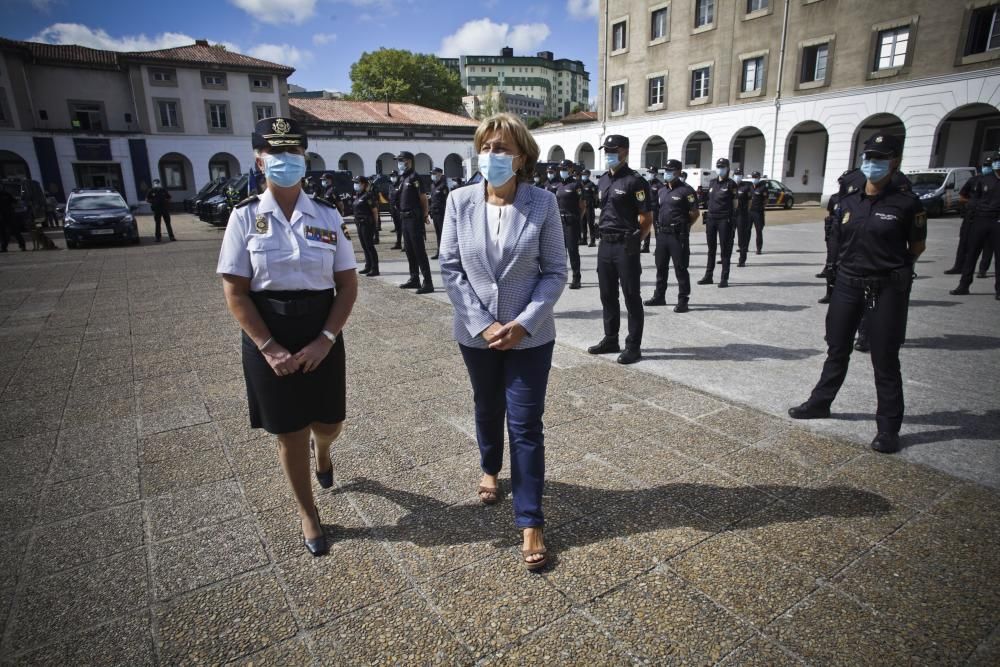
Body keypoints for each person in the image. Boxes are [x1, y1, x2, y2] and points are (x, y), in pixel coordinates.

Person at [216, 116, 358, 555]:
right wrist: (269, 347)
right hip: (268, 332)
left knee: (329, 423)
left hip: (321, 328)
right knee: (289, 432)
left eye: (293, 154)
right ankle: (308, 513)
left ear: (304, 159)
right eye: (276, 155)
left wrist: (326, 337)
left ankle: (325, 450)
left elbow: (348, 284)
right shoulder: (243, 218)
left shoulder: (328, 215)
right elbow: (235, 291)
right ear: (260, 161)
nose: (286, 162)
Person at [438, 112, 566, 571]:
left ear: (522, 157)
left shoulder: (543, 203)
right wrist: (484, 323)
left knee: (527, 424)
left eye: (503, 149)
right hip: (476, 335)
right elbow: (450, 267)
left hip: (530, 338)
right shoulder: (459, 201)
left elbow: (555, 272)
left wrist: (524, 323)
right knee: (487, 405)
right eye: (486, 147)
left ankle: (530, 519)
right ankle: (490, 466)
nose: (492, 155)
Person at [789, 132, 926, 454]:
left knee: (884, 358)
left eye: (880, 158)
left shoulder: (907, 203)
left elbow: (917, 246)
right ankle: (821, 402)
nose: (872, 163)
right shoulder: (849, 200)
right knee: (837, 347)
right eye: (869, 157)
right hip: (848, 284)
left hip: (886, 287)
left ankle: (888, 427)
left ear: (894, 161)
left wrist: (891, 268)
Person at [587, 135, 652, 365]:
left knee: (631, 296)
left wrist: (636, 242)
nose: (608, 154)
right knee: (607, 294)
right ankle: (611, 338)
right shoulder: (604, 180)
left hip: (625, 245)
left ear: (624, 151)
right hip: (605, 244)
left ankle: (633, 346)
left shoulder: (635, 181)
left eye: (613, 150)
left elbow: (646, 218)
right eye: (606, 150)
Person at [644, 159, 698, 313]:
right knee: (661, 267)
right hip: (663, 234)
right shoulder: (662, 190)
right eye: (666, 170)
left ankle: (683, 300)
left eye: (670, 170)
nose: (667, 173)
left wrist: (684, 227)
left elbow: (694, 213)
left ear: (679, 172)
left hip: (677, 235)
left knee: (680, 268)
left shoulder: (687, 191)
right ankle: (659, 296)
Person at [951, 152, 1000, 299]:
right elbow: (972, 199)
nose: (997, 164)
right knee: (972, 253)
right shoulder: (983, 180)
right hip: (980, 220)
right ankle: (963, 285)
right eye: (996, 162)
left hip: (997, 221)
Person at [394, 151, 434, 294]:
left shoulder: (414, 177)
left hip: (414, 218)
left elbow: (423, 197)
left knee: (419, 251)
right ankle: (414, 278)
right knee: (409, 250)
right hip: (404, 218)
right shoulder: (402, 178)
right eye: (398, 160)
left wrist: (425, 214)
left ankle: (428, 282)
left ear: (409, 161)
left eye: (401, 160)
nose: (399, 162)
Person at [946, 158, 994, 277]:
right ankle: (958, 266)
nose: (986, 168)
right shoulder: (974, 180)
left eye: (989, 166)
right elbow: (962, 196)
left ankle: (982, 270)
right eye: (985, 165)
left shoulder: (996, 181)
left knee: (988, 245)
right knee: (964, 243)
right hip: (971, 216)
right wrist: (972, 203)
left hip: (989, 217)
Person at [699, 158, 737, 287]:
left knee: (725, 250)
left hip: (724, 219)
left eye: (722, 167)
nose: (720, 169)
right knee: (711, 249)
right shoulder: (712, 183)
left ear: (727, 169)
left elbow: (735, 204)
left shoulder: (731, 184)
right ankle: (708, 275)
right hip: (711, 219)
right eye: (718, 166)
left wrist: (731, 219)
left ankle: (724, 278)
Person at [554, 158, 585, 289]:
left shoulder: (576, 185)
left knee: (573, 250)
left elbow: (583, 206)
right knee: (561, 252)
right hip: (559, 222)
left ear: (571, 170)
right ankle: (561, 276)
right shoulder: (559, 185)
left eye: (565, 169)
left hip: (571, 222)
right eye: (561, 169)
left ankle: (576, 278)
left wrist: (577, 218)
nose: (562, 171)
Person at [351, 175, 380, 277]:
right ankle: (368, 266)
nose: (355, 185)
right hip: (359, 224)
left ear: (363, 184)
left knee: (369, 246)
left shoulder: (368, 196)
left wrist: (376, 226)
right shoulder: (358, 195)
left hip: (367, 224)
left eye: (357, 183)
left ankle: (375, 268)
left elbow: (374, 211)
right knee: (364, 246)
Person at [428, 166, 449, 260]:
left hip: (442, 213)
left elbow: (446, 201)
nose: (433, 176)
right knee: (438, 234)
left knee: (443, 234)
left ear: (440, 174)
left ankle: (445, 253)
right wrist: (430, 211)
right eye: (432, 174)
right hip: (434, 213)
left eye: (434, 174)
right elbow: (432, 199)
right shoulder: (432, 185)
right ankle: (439, 252)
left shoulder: (443, 186)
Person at [733, 169, 752, 266]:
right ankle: (724, 258)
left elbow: (749, 201)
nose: (738, 176)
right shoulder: (730, 185)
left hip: (741, 214)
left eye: (740, 175)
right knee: (728, 238)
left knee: (742, 237)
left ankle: (742, 259)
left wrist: (746, 212)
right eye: (736, 174)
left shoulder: (746, 186)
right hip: (732, 214)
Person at [640, 165, 662, 253]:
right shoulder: (646, 183)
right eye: (649, 172)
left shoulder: (659, 185)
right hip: (647, 209)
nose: (650, 174)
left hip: (656, 210)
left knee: (657, 229)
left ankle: (658, 249)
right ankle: (646, 247)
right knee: (646, 227)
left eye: (652, 173)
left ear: (655, 174)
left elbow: (661, 198)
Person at [749, 171, 767, 256]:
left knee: (758, 231)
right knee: (746, 230)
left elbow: (766, 200)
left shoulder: (763, 187)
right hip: (749, 212)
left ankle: (759, 248)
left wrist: (762, 208)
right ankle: (744, 247)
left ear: (759, 178)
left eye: (756, 177)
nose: (754, 178)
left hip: (758, 212)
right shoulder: (750, 186)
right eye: (753, 177)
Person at [579, 168, 598, 246]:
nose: (583, 176)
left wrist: (596, 203)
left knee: (590, 223)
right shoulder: (579, 184)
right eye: (583, 175)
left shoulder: (591, 185)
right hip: (582, 207)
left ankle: (592, 241)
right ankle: (584, 240)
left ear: (588, 175)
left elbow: (595, 195)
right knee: (583, 223)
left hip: (589, 207)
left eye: (585, 175)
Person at [389, 170, 403, 250]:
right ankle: (398, 243)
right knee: (397, 227)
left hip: (399, 209)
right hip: (393, 209)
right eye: (391, 176)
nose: (392, 177)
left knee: (403, 228)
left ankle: (406, 245)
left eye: (394, 176)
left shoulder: (400, 185)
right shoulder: (391, 186)